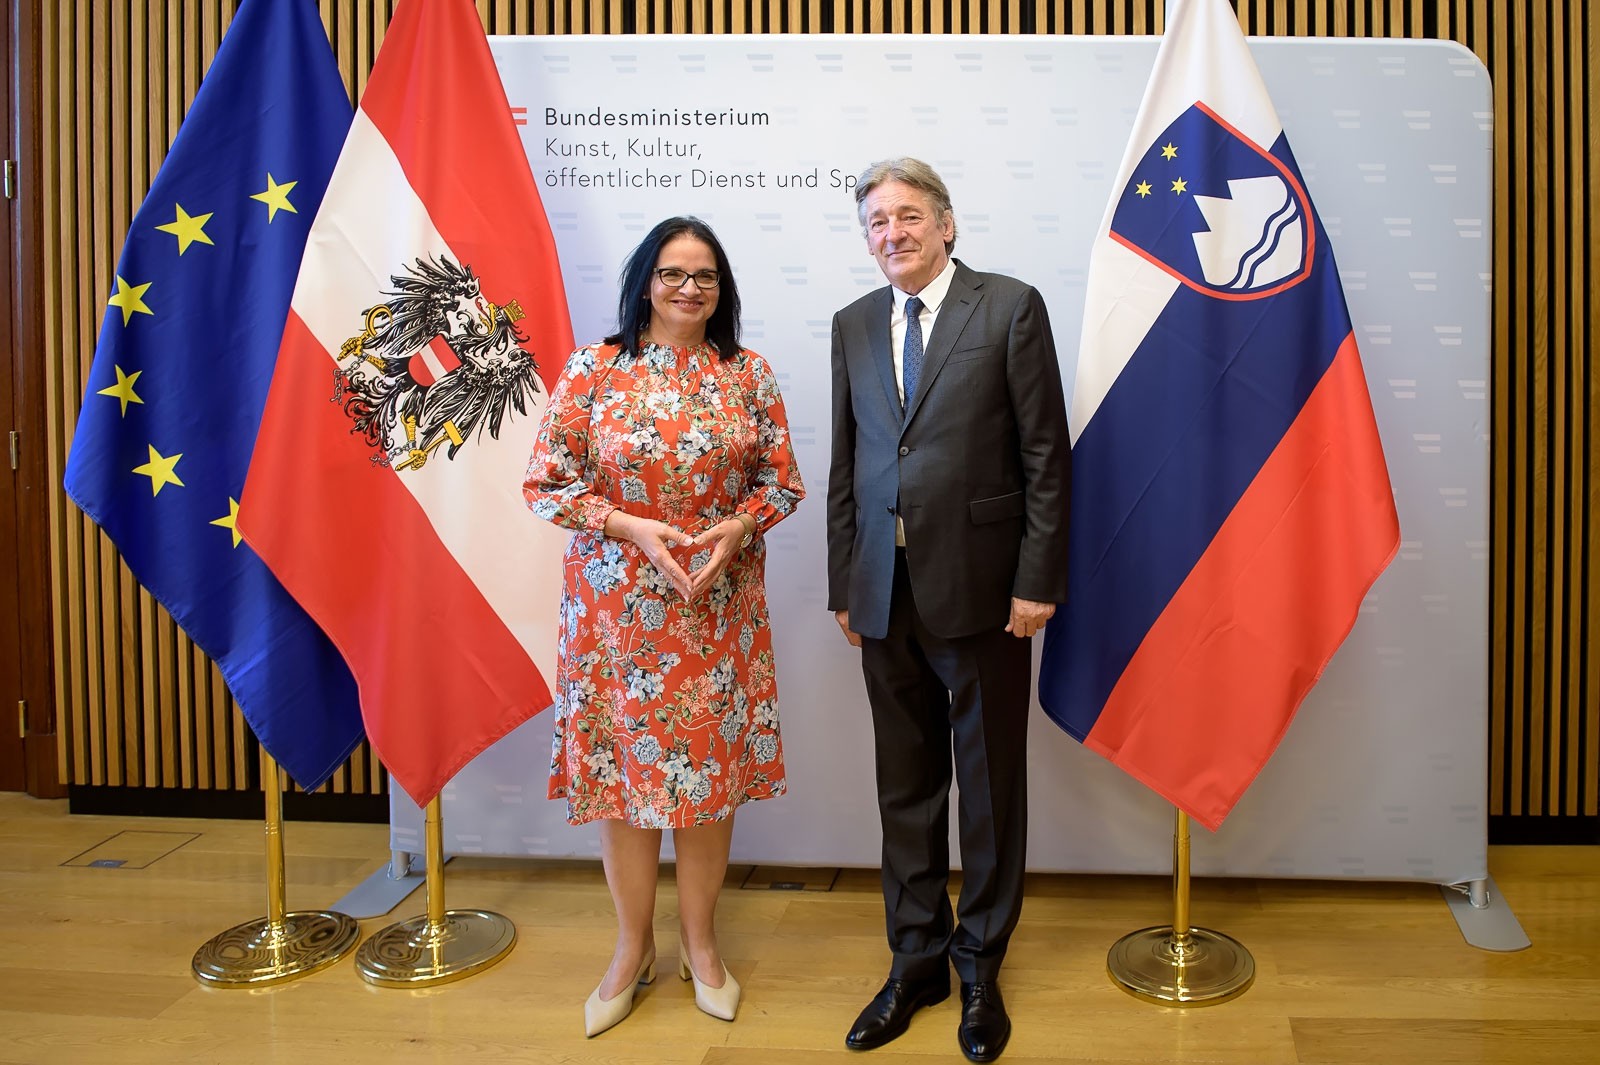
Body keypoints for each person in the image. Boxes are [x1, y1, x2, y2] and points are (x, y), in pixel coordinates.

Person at [524, 216, 804, 1038]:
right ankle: (631, 947)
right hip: (616, 616)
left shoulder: (747, 374)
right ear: (645, 281)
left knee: (708, 785)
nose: (690, 287)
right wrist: (627, 525)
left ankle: (701, 945)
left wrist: (738, 527)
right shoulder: (594, 368)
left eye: (705, 275)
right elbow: (547, 482)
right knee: (624, 781)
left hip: (717, 609)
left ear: (722, 289)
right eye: (674, 272)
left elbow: (781, 483)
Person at [827, 159, 1071, 1063]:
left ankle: (980, 965)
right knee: (905, 787)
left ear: (946, 222)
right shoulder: (854, 323)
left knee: (990, 791)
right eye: (877, 221)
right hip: (882, 593)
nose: (892, 232)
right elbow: (848, 462)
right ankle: (916, 959)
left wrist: (1037, 578)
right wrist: (845, 583)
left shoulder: (1008, 306)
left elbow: (1046, 455)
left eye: (908, 215)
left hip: (986, 593)